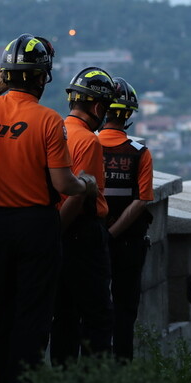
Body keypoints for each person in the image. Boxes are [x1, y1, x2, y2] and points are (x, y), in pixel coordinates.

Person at [0, 33, 96, 383]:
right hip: (37, 222)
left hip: (0, 222)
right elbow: (63, 185)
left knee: (2, 308)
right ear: (41, 77)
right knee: (34, 311)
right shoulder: (49, 120)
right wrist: (86, 185)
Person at [50, 67, 117, 365]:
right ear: (99, 107)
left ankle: (63, 379)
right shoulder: (89, 141)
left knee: (63, 313)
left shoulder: (57, 131)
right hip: (82, 234)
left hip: (58, 231)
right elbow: (80, 194)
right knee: (97, 314)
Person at [98, 77, 154, 361]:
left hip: (90, 238)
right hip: (129, 242)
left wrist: (104, 234)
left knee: (92, 305)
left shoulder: (88, 144)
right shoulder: (139, 152)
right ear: (128, 115)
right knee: (125, 306)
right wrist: (115, 233)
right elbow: (142, 199)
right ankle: (121, 366)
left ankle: (89, 369)